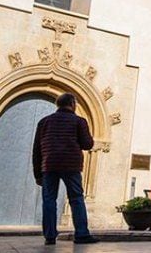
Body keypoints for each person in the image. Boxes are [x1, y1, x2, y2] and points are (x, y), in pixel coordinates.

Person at [32, 93, 99, 245]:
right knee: (76, 198)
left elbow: (36, 149)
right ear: (72, 104)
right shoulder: (79, 121)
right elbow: (88, 144)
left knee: (49, 200)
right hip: (71, 165)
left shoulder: (44, 122)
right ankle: (81, 234)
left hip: (49, 165)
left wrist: (37, 173)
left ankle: (50, 236)